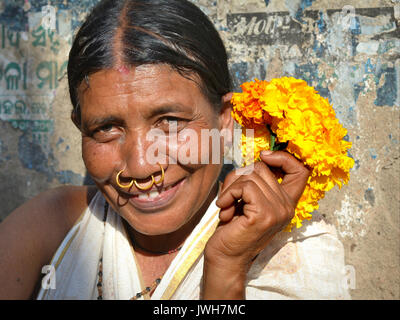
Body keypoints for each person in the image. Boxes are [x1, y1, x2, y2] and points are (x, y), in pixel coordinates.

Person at [0, 0, 350, 300]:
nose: (139, 166)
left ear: (225, 120)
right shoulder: (51, 227)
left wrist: (226, 268)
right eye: (106, 128)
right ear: (81, 128)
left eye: (169, 121)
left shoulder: (297, 255)